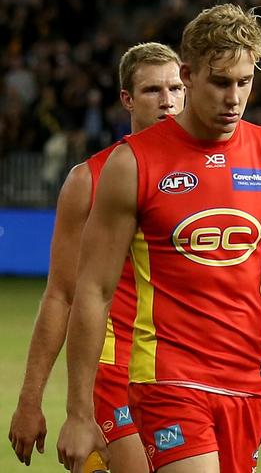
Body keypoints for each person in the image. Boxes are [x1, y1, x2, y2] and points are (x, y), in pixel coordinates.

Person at [56, 3, 261, 473]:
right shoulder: (132, 164)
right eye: (221, 82)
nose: (234, 97)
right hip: (167, 379)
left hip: (245, 381)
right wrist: (79, 412)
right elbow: (93, 291)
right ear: (189, 75)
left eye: (245, 82)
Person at [9, 42, 186, 473]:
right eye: (152, 91)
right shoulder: (89, 179)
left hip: (186, 368)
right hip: (113, 371)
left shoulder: (211, 175)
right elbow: (61, 295)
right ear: (126, 99)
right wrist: (30, 402)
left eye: (177, 88)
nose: (167, 101)